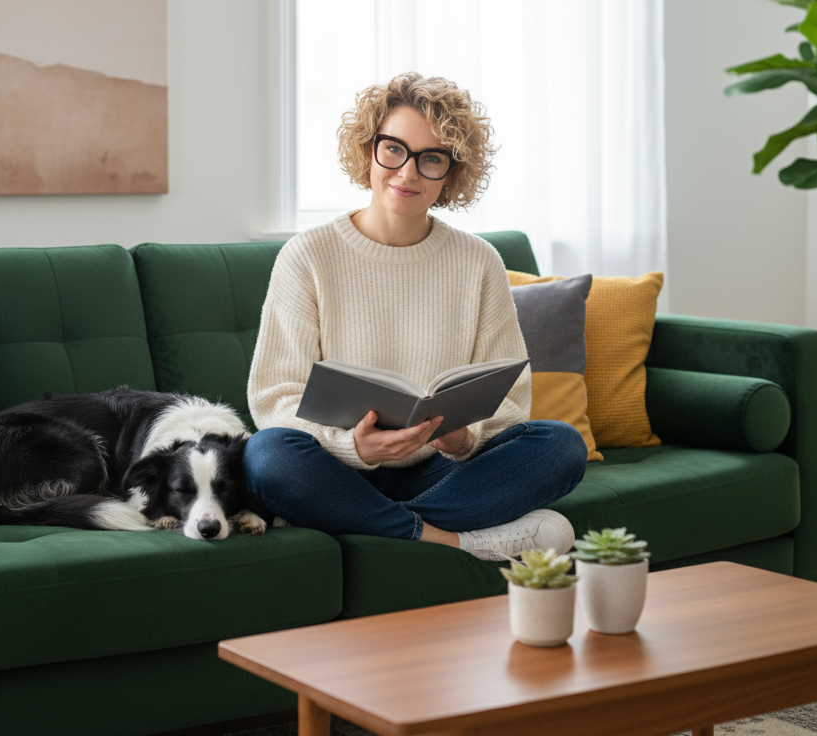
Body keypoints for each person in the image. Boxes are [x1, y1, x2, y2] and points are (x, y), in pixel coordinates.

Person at [243, 73, 587, 560]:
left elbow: (511, 399)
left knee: (561, 446)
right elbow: (274, 397)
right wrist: (354, 449)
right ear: (369, 150)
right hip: (336, 467)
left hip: (440, 468)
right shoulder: (308, 256)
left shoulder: (477, 261)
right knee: (267, 456)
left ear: (450, 174)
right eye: (393, 149)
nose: (407, 173)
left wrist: (463, 438)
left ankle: (363, 518)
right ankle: (454, 540)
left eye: (431, 159)